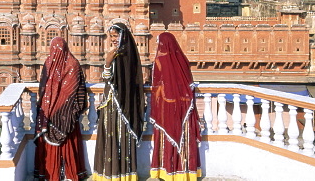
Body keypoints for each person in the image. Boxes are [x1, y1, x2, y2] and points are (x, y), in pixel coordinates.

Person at [94, 23, 146, 181]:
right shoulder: (122, 54)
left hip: (120, 106)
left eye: (116, 36)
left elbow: (109, 78)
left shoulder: (122, 55)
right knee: (112, 136)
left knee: (120, 137)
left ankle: (121, 174)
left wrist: (107, 63)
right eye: (111, 36)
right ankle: (114, 173)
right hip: (112, 105)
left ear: (123, 36)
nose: (113, 39)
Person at [34, 37, 89, 181]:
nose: (55, 52)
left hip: (60, 113)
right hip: (58, 113)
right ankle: (59, 174)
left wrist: (55, 109)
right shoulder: (57, 63)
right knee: (63, 144)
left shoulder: (68, 64)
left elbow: (72, 91)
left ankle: (61, 174)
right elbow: (44, 88)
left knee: (62, 144)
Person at [149, 32, 202, 181]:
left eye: (158, 44)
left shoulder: (159, 61)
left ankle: (167, 171)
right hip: (184, 106)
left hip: (167, 107)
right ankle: (186, 173)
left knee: (167, 137)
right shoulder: (182, 60)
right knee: (185, 138)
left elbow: (157, 85)